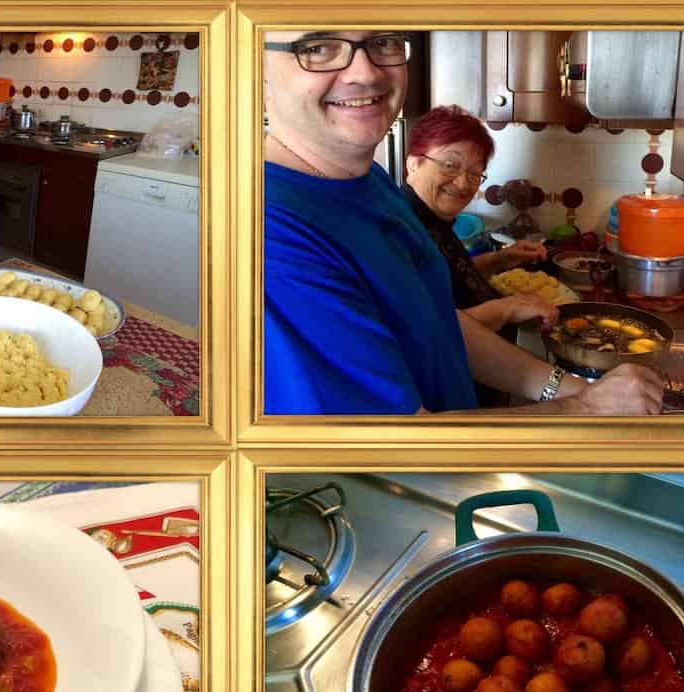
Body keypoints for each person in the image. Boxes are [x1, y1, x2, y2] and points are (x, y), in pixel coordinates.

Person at [262, 30, 663, 415]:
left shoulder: (367, 180)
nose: (366, 72)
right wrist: (585, 408)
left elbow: (436, 322)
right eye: (316, 47)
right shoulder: (272, 234)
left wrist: (574, 390)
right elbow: (394, 447)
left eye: (382, 41)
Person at [404, 104, 555, 334]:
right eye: (449, 165)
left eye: (474, 173)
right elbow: (426, 332)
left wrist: (502, 258)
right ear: (413, 164)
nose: (464, 183)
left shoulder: (432, 219)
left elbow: (452, 277)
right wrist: (507, 309)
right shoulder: (403, 230)